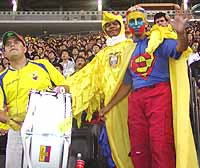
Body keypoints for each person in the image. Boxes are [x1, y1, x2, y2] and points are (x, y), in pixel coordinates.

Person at [99, 6, 198, 168]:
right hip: (136, 100)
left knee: (161, 144)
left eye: (139, 20)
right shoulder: (127, 50)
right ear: (127, 24)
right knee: (139, 148)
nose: (136, 24)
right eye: (132, 21)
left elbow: (180, 48)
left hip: (159, 96)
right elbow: (126, 84)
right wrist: (108, 107)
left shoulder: (158, 40)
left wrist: (181, 32)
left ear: (145, 22)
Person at [66, 11, 136, 168]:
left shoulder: (132, 46)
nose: (111, 27)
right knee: (112, 144)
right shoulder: (102, 54)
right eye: (108, 25)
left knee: (133, 142)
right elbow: (86, 75)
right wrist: (65, 87)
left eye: (115, 24)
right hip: (109, 108)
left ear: (122, 25)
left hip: (131, 103)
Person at [0, 31, 68, 168]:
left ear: (25, 48)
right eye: (8, 45)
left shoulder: (43, 65)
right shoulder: (1, 78)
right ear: (4, 54)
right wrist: (8, 120)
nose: (12, 45)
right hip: (17, 132)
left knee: (44, 165)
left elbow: (67, 85)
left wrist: (59, 90)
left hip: (46, 129)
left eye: (16, 42)